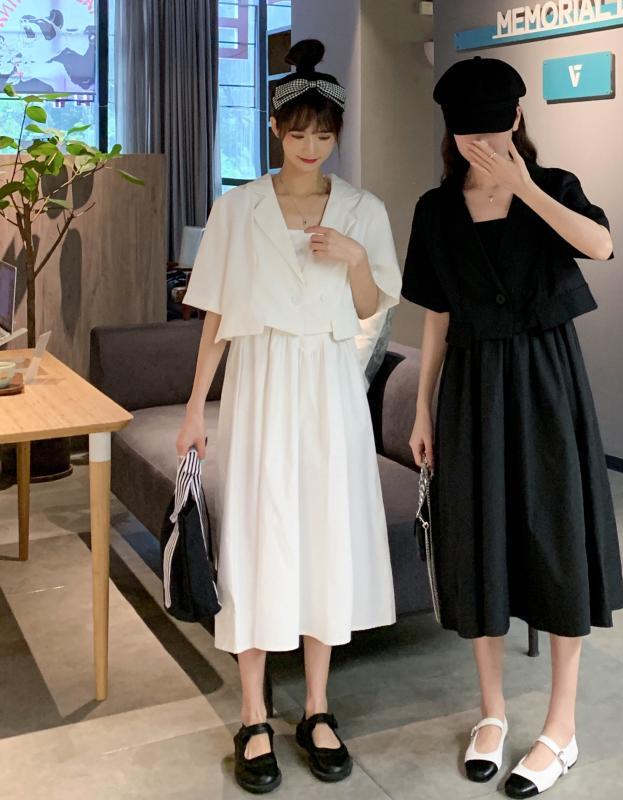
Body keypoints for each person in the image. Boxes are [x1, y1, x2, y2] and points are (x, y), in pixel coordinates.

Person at [176, 39, 401, 795]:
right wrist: (194, 407)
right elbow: (214, 314)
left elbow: (371, 308)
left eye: (324, 135)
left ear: (338, 135)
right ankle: (252, 715)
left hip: (330, 385)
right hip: (262, 379)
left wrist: (355, 259)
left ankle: (316, 707)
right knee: (257, 533)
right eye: (298, 132)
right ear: (275, 128)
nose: (311, 147)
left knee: (323, 535)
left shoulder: (364, 211)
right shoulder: (238, 209)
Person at [402, 56, 623, 799]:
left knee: (559, 540)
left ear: (518, 120)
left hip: (547, 382)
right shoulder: (436, 210)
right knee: (479, 540)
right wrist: (423, 407)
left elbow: (601, 245)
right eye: (471, 135)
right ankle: (492, 714)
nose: (484, 146)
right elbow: (437, 312)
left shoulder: (553, 185)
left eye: (495, 131)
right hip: (470, 387)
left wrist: (524, 186)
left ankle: (561, 726)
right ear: (451, 133)